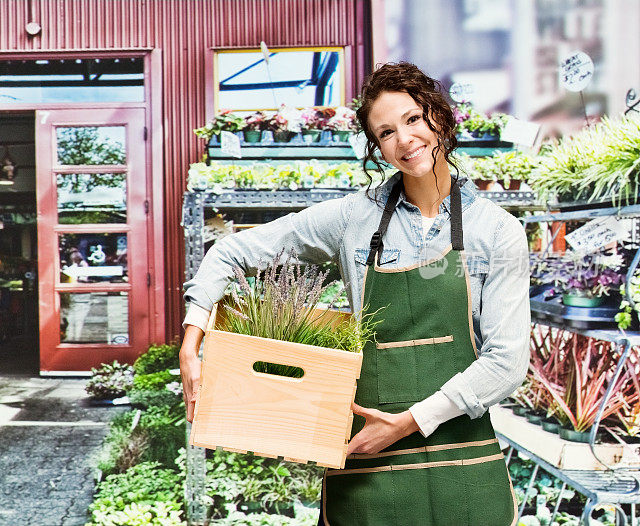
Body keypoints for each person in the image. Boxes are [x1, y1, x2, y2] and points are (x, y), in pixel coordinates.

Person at [180, 62, 529, 526]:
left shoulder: (497, 232)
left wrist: (407, 423)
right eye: (386, 133)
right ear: (377, 148)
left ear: (439, 117)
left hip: (460, 460)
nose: (404, 140)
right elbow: (230, 253)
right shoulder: (354, 219)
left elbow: (506, 362)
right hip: (367, 462)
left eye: (413, 119)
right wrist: (192, 340)